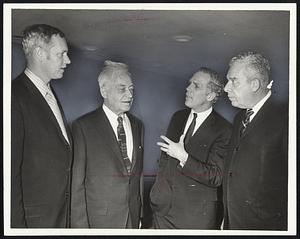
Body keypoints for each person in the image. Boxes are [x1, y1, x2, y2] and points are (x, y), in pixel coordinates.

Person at [150, 67, 232, 229]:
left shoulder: (224, 130)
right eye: (189, 84)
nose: (187, 89)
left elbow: (215, 176)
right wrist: (157, 193)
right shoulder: (178, 117)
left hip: (194, 217)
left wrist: (184, 157)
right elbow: (165, 159)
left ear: (210, 95)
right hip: (162, 210)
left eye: (196, 85)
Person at [11, 24, 72, 228]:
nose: (68, 60)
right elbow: (9, 174)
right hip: (33, 223)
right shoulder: (13, 96)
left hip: (59, 219)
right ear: (39, 53)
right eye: (61, 54)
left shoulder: (50, 95)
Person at [71, 60, 144, 228]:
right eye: (122, 89)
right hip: (99, 221)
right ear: (104, 91)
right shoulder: (83, 126)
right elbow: (77, 184)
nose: (130, 95)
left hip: (132, 219)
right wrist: (80, 229)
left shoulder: (138, 125)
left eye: (131, 89)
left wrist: (140, 215)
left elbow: (137, 176)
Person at [223, 51, 288, 230]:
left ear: (254, 84)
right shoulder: (238, 119)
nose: (226, 88)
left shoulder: (287, 118)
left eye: (233, 81)